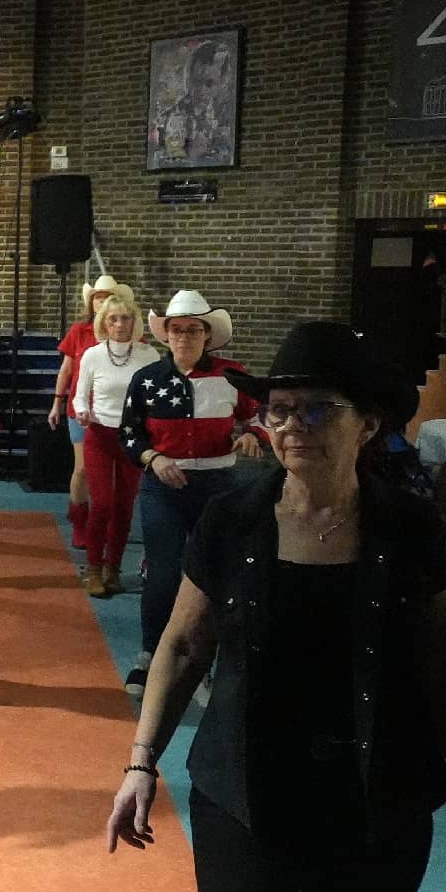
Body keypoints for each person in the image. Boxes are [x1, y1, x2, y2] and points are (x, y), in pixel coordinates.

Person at [106, 321, 446, 892]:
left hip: (375, 808)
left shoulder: (412, 529)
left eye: (319, 409)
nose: (294, 426)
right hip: (243, 797)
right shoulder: (233, 519)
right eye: (280, 410)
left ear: (368, 425)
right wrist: (142, 762)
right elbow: (183, 645)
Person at [120, 290, 267, 694]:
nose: (183, 337)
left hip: (217, 489)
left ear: (207, 335)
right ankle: (151, 655)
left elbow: (264, 415)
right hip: (163, 488)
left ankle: (202, 660)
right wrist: (154, 458)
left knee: (213, 574)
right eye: (176, 329)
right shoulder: (147, 379)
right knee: (163, 571)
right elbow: (128, 434)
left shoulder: (231, 375)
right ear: (166, 334)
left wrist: (253, 434)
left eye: (193, 330)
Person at [72, 293, 158, 598]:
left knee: (123, 507)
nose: (120, 324)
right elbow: (80, 395)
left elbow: (155, 398)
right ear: (104, 323)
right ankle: (94, 568)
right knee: (102, 505)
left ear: (135, 322)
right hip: (99, 435)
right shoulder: (92, 355)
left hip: (133, 438)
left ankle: (113, 568)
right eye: (113, 319)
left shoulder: (148, 355)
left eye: (126, 318)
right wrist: (82, 411)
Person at [49, 275, 132, 552]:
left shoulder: (130, 335)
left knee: (114, 473)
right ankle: (79, 520)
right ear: (91, 302)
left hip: (118, 415)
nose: (102, 301)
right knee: (83, 468)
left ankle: (105, 521)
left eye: (107, 296)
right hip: (82, 411)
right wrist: (57, 402)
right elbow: (66, 369)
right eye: (98, 297)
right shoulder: (79, 332)